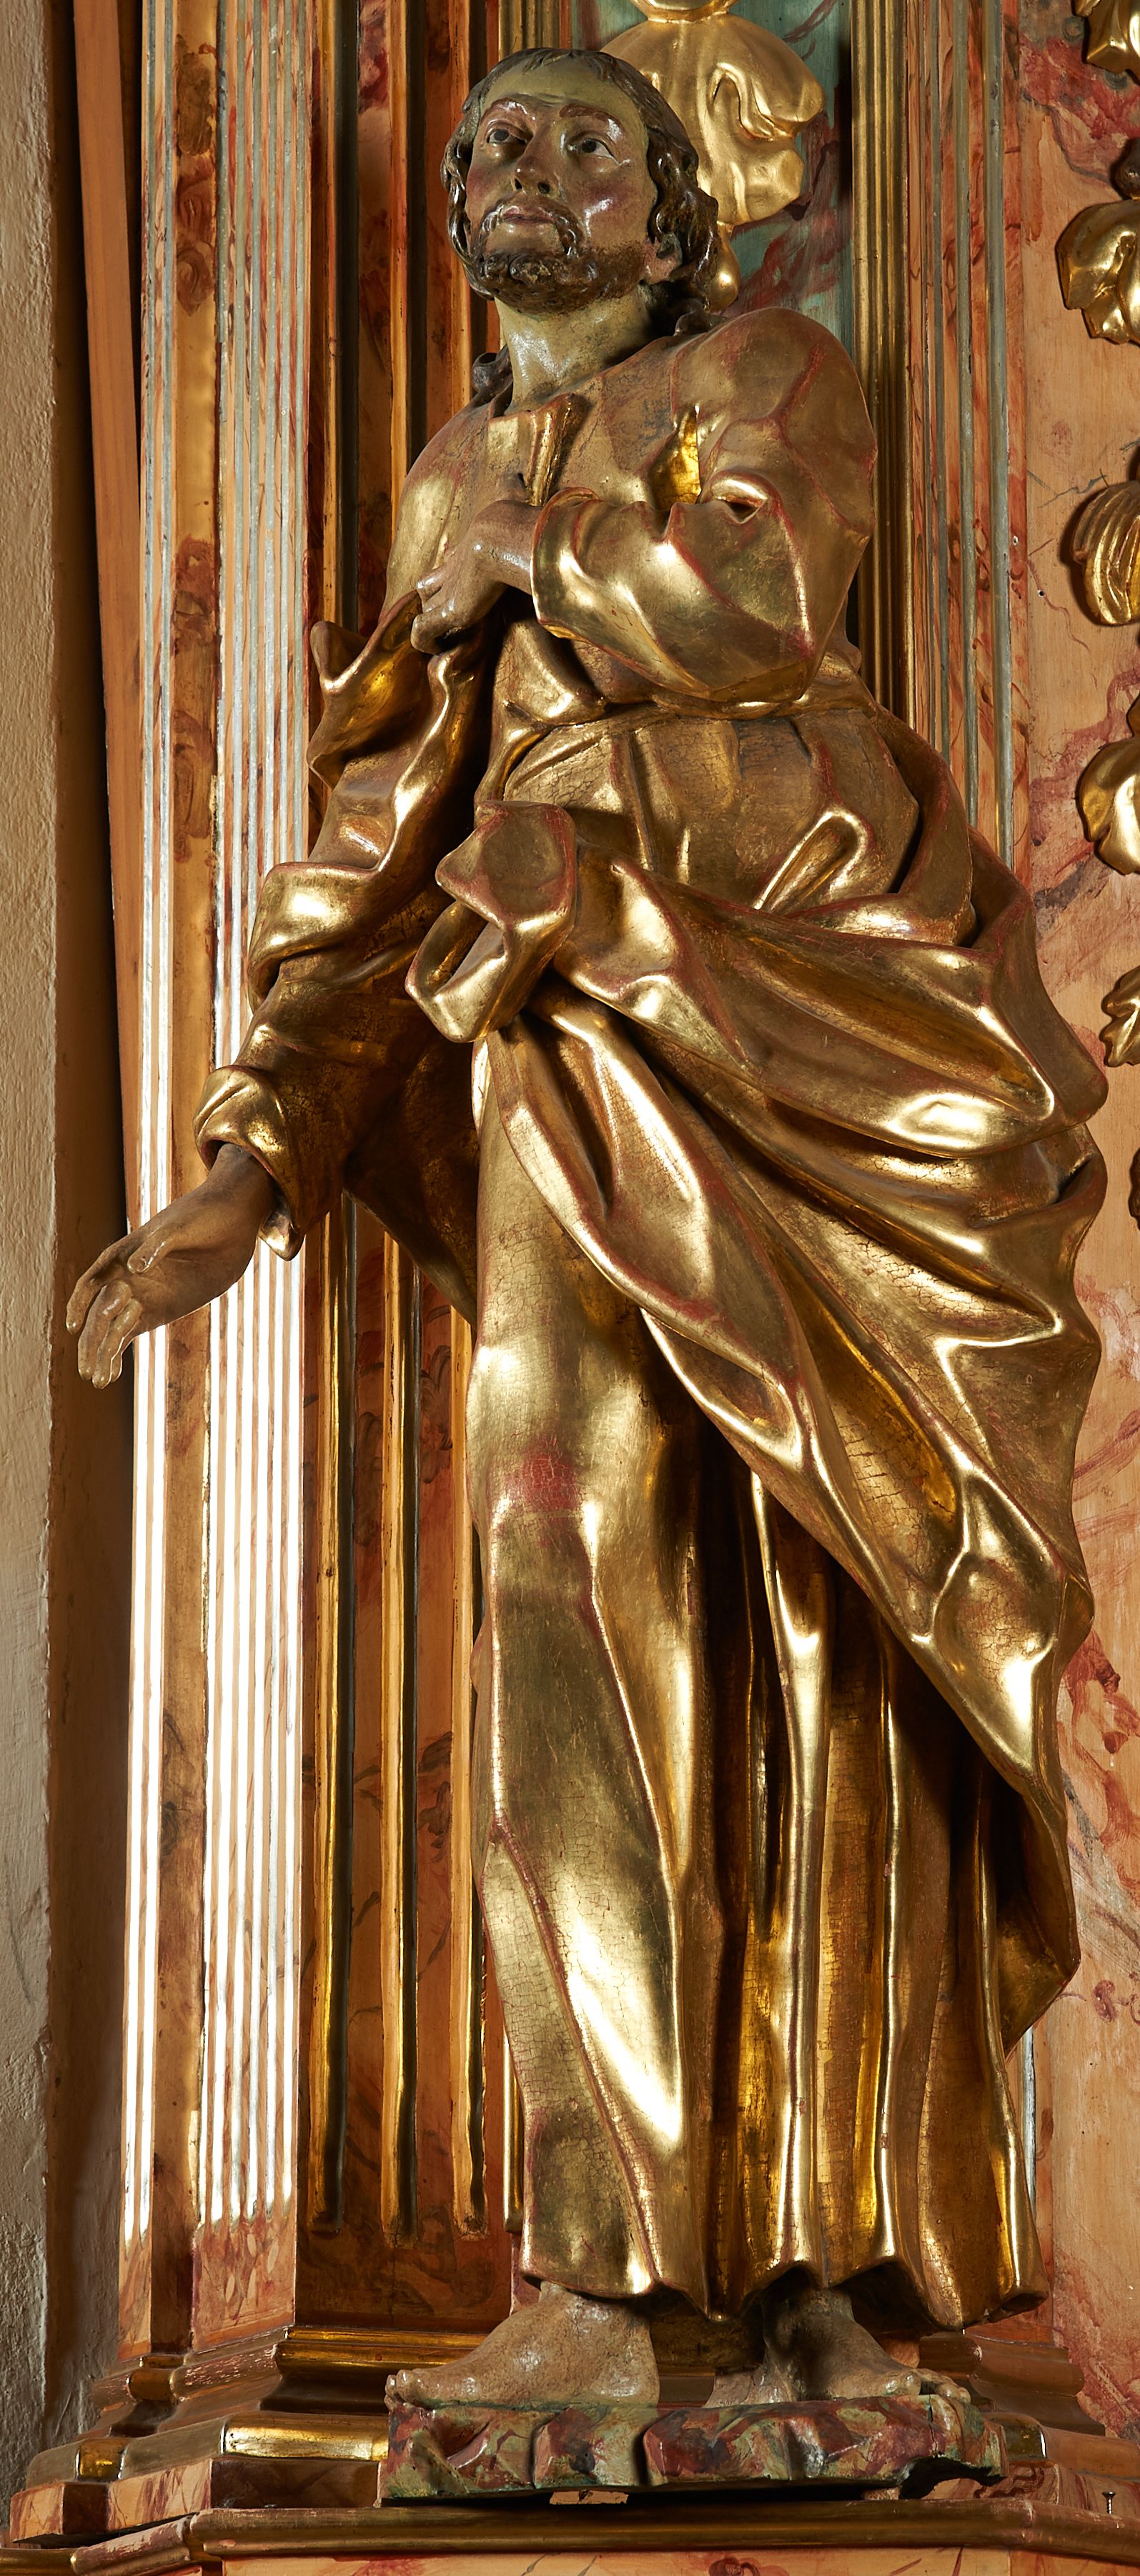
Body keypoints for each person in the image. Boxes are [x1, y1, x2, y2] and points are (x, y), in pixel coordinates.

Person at [70, 47, 1106, 2412]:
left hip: (810, 995)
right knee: (560, 1570)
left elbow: (750, 596)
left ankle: (833, 2255)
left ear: (676, 212)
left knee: (828, 1621)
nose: (525, 174)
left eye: (583, 146)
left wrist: (525, 551)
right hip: (562, 1013)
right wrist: (254, 1149)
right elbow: (374, 834)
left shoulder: (768, 373)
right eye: (492, 147)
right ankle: (612, 2271)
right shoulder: (448, 472)